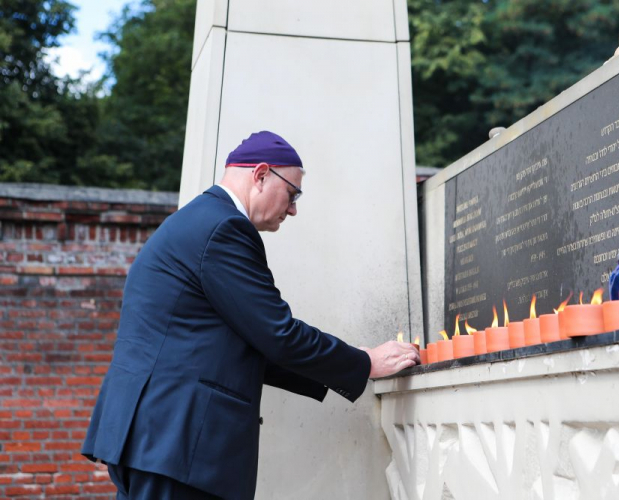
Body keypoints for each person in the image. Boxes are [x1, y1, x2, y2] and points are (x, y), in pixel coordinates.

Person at [81, 131, 420, 499]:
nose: (293, 209)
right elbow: (278, 335)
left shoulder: (195, 220)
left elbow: (252, 342)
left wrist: (350, 362)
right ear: (260, 175)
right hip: (175, 442)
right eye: (293, 194)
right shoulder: (225, 228)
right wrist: (365, 363)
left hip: (156, 439)